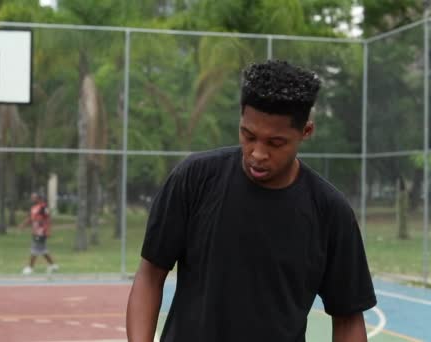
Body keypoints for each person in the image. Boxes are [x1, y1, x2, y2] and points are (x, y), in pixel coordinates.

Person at [126, 60, 376, 341]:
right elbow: (150, 276)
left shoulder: (331, 212)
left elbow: (348, 317)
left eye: (275, 143)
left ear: (305, 132)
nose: (257, 153)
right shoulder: (194, 179)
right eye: (249, 135)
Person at [21, 192, 59, 275]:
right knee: (43, 250)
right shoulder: (33, 207)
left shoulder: (43, 207)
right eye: (32, 197)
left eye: (34, 198)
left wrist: (48, 230)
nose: (32, 199)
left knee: (34, 248)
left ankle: (30, 268)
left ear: (38, 198)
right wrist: (24, 224)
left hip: (41, 231)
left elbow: (48, 219)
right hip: (35, 230)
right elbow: (31, 218)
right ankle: (53, 265)